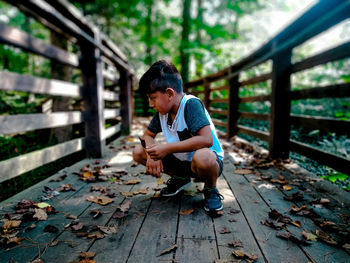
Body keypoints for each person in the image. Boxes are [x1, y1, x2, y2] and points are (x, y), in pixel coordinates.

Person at [132, 60, 224, 215]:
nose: (150, 104)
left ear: (169, 93)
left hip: (207, 163)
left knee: (204, 156)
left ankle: (210, 189)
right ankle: (180, 178)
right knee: (138, 151)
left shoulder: (190, 104)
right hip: (182, 163)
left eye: (152, 98)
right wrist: (150, 154)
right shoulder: (163, 112)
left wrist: (166, 147)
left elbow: (206, 140)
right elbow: (147, 135)